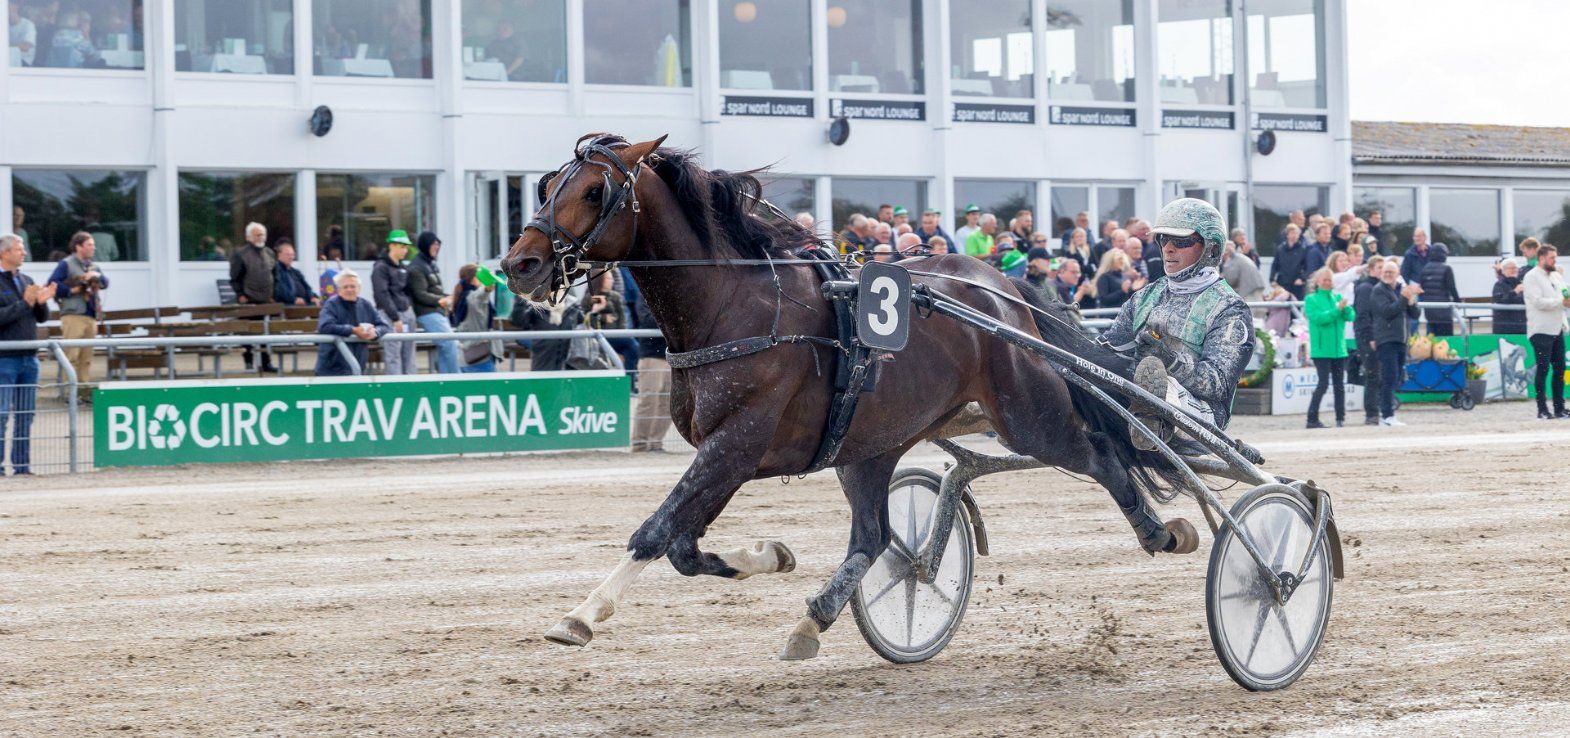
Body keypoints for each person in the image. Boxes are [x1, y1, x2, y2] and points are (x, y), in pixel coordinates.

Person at [1102, 198, 1254, 441]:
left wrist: (1168, 360)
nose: (1168, 248)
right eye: (1163, 239)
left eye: (1181, 241)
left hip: (1202, 416)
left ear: (1211, 249)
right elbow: (1109, 351)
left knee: (1161, 386)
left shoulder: (1230, 308)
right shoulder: (1144, 297)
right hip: (1136, 396)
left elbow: (1216, 384)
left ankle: (1149, 421)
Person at [0, 233, 54, 475]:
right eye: (19, 249)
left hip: (29, 359)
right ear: (5, 253)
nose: (24, 253)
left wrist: (40, 302)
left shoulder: (26, 279)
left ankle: (22, 466)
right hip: (5, 360)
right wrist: (25, 302)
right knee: (1, 416)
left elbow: (40, 318)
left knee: (25, 415)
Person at [47, 232, 108, 398]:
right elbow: (51, 284)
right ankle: (69, 394)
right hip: (73, 315)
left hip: (90, 315)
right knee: (72, 355)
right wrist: (72, 290)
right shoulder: (65, 264)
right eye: (89, 245)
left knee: (87, 356)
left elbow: (106, 283)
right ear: (78, 247)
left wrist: (96, 276)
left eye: (93, 244)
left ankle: (84, 391)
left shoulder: (93, 266)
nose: (93, 247)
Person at [1370, 260, 1422, 427]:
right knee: (1389, 377)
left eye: (1391, 272)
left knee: (1397, 377)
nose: (1387, 275)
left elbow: (1415, 313)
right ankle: (1386, 415)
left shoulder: (1400, 290)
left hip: (1401, 339)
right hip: (1386, 340)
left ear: (1398, 274)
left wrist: (1411, 298)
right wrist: (1403, 298)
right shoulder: (1378, 291)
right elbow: (1387, 312)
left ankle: (1387, 413)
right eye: (1385, 271)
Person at [1304, 268, 1356, 429]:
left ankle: (1340, 418)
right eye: (1325, 280)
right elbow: (1320, 319)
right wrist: (1338, 310)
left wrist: (1345, 309)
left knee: (1339, 385)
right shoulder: (1311, 299)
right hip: (1321, 350)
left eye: (1330, 280)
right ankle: (1312, 418)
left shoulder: (1337, 297)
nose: (1328, 282)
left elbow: (1351, 316)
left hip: (1339, 349)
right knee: (1323, 383)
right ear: (1318, 282)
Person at [1523, 244, 1570, 420]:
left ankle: (1559, 408)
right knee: (1543, 369)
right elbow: (1538, 302)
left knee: (1560, 368)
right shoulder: (1531, 277)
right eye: (1551, 258)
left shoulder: (1556, 275)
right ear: (1542, 258)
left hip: (1557, 327)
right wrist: (1561, 302)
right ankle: (1542, 409)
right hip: (1541, 329)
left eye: (1555, 258)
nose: (1554, 261)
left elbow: (1564, 294)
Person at [314, 271, 391, 376]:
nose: (349, 289)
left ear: (359, 289)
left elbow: (384, 325)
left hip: (358, 363)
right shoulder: (331, 304)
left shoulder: (365, 305)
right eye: (345, 287)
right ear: (339, 290)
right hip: (332, 365)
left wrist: (375, 332)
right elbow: (324, 326)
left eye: (352, 286)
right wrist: (353, 330)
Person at [406, 231, 459, 374]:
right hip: (427, 313)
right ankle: (457, 379)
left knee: (446, 346)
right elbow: (420, 294)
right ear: (425, 245)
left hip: (437, 311)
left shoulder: (430, 264)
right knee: (450, 343)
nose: (437, 247)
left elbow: (434, 290)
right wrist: (441, 300)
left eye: (438, 244)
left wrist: (448, 297)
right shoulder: (416, 266)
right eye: (433, 244)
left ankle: (444, 379)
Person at [230, 222, 278, 372]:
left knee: (265, 333)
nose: (260, 237)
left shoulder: (269, 253)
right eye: (257, 234)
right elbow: (234, 278)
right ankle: (249, 361)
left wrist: (273, 294)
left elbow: (276, 276)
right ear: (249, 237)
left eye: (262, 234)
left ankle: (266, 362)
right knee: (248, 333)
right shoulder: (241, 254)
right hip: (248, 300)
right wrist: (240, 295)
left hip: (265, 300)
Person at [631, 287, 671, 452]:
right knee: (649, 398)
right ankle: (640, 443)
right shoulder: (645, 294)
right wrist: (672, 319)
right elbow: (646, 319)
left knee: (668, 401)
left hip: (671, 354)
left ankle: (656, 442)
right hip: (651, 354)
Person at [372, 230, 416, 375]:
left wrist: (408, 307)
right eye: (402, 246)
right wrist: (395, 317)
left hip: (406, 314)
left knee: (409, 353)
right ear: (392, 246)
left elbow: (407, 290)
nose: (405, 250)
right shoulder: (381, 267)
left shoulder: (402, 267)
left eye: (406, 246)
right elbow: (382, 294)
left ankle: (410, 385)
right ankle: (395, 387)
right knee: (393, 353)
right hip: (390, 315)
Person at [1352, 255, 1387, 425]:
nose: (1383, 271)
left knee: (1379, 375)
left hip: (1379, 335)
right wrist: (1370, 337)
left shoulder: (1380, 287)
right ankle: (1371, 413)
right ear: (1372, 269)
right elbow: (1363, 315)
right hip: (1367, 337)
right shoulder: (1366, 287)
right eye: (1380, 268)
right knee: (1372, 375)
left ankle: (1379, 410)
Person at [510, 293, 584, 371]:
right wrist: (521, 299)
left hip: (569, 363)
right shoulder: (536, 303)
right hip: (543, 359)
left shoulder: (573, 304)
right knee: (542, 381)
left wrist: (594, 313)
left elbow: (586, 324)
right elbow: (518, 321)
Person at [450, 265, 502, 373]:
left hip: (464, 357)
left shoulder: (459, 296)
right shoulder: (473, 297)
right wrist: (489, 284)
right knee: (490, 390)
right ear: (474, 279)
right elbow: (482, 293)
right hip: (479, 358)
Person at [1418, 245, 1461, 336]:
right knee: (1447, 340)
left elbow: (1421, 289)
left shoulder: (1424, 269)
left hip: (1429, 312)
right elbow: (1452, 288)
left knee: (1434, 340)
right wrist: (1458, 302)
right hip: (1444, 311)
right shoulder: (1446, 269)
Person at [1270, 223, 1310, 298]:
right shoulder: (1280, 249)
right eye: (1292, 233)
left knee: (1296, 307)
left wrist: (1302, 278)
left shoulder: (1303, 249)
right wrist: (1272, 279)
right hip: (1283, 283)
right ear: (1287, 235)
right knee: (1282, 307)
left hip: (1297, 284)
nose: (1294, 235)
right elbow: (1275, 265)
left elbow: (1307, 267)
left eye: (1296, 233)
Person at [272, 242, 319, 306]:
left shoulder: (295, 272)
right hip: (286, 305)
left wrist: (313, 297)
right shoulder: (276, 271)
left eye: (292, 255)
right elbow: (279, 291)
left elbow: (307, 287)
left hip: (303, 303)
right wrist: (293, 299)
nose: (291, 257)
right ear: (279, 255)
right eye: (288, 255)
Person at [1492, 258, 1527, 335]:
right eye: (1510, 268)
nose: (1513, 270)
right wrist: (1515, 292)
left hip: (1522, 327)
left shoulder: (1521, 283)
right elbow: (1500, 300)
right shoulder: (1499, 284)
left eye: (1515, 268)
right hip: (1505, 328)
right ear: (1504, 270)